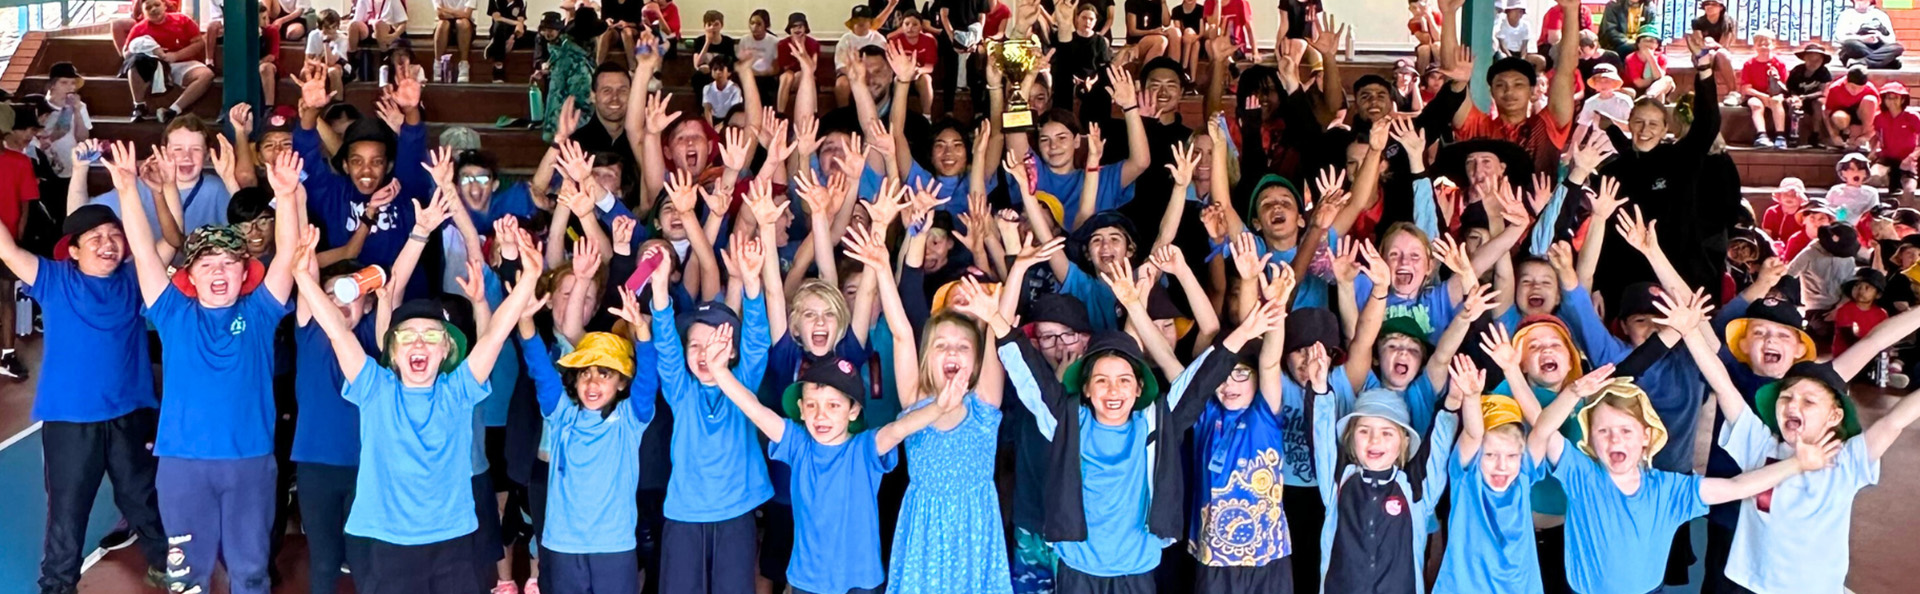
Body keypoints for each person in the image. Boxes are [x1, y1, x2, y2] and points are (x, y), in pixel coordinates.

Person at [122, 0, 213, 123]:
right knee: (134, 64)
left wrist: (176, 55)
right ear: (143, 12)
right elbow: (126, 52)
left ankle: (172, 111)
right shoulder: (139, 29)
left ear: (165, 6)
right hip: (154, 66)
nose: (153, 9)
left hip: (182, 63)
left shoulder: (182, 20)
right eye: (148, 7)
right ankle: (139, 106)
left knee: (206, 75)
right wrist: (148, 50)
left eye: (157, 5)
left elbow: (199, 43)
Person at [1737, 31, 1791, 149]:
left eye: (1767, 44)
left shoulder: (1779, 63)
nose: (1763, 47)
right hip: (1755, 95)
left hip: (1774, 95)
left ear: (1773, 45)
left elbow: (1787, 87)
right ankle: (1761, 135)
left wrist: (1777, 80)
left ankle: (1780, 136)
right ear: (1755, 46)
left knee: (1776, 101)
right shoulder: (1749, 64)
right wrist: (1763, 96)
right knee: (1755, 104)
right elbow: (1746, 89)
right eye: (1760, 44)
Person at [1873, 82, 1920, 198]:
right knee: (1873, 176)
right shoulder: (1879, 118)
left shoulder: (1912, 116)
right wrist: (1873, 152)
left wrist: (1912, 157)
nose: (1891, 101)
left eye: (1896, 98)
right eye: (1888, 98)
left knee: (1909, 191)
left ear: (1903, 100)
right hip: (1887, 158)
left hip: (1908, 160)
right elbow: (1877, 137)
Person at [1789, 43, 1836, 146]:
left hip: (1814, 98)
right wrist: (1795, 97)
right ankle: (1792, 135)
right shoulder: (1797, 71)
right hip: (1797, 97)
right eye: (1810, 59)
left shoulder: (1824, 72)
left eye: (1817, 60)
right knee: (1791, 104)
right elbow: (1790, 88)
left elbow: (1823, 92)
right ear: (1805, 58)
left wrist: (1805, 97)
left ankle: (1815, 135)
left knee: (1819, 104)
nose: (1813, 63)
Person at [1836, 0, 1903, 69]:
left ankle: (1861, 62)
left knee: (1897, 47)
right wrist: (1863, 39)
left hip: (1877, 47)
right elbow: (1840, 38)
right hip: (1856, 48)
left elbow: (1891, 40)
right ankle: (1884, 61)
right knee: (1850, 44)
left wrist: (1880, 36)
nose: (1861, 2)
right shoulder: (1846, 15)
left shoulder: (1881, 15)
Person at [485, 0, 533, 83]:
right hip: (500, 30)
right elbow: (497, 18)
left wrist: (514, 35)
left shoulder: (522, 2)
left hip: (513, 32)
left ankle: (495, 47)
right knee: (499, 27)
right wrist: (516, 23)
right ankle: (498, 69)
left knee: (535, 36)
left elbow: (520, 21)